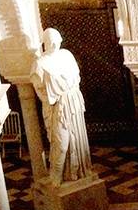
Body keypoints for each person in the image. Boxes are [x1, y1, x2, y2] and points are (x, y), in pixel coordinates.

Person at [30, 28, 93, 185]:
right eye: (51, 42)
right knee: (61, 143)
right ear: (45, 42)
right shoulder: (39, 63)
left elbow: (76, 76)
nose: (54, 44)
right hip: (57, 106)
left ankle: (77, 172)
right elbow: (39, 89)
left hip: (73, 101)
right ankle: (56, 175)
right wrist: (52, 100)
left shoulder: (66, 55)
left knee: (77, 139)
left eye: (56, 41)